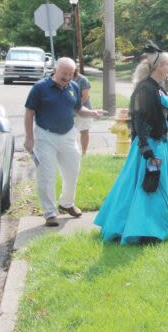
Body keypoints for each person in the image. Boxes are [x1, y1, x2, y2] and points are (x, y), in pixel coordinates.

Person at [95, 46, 168, 244]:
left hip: (164, 143)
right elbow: (138, 119)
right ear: (156, 67)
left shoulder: (158, 86)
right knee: (150, 187)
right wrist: (145, 147)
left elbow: (164, 110)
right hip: (150, 145)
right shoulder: (144, 88)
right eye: (166, 64)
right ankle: (147, 229)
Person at [24, 58, 106, 227]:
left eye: (71, 74)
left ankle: (67, 204)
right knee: (47, 175)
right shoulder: (40, 88)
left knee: (72, 170)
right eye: (64, 74)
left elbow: (77, 109)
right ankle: (50, 213)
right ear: (55, 69)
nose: (68, 77)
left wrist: (92, 113)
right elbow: (29, 113)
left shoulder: (73, 87)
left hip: (68, 135)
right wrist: (29, 137)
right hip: (45, 136)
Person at [72, 66, 92, 155]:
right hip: (70, 110)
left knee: (84, 131)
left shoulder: (82, 79)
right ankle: (73, 152)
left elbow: (85, 96)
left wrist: (75, 107)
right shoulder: (64, 79)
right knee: (71, 132)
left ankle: (84, 152)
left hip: (84, 109)